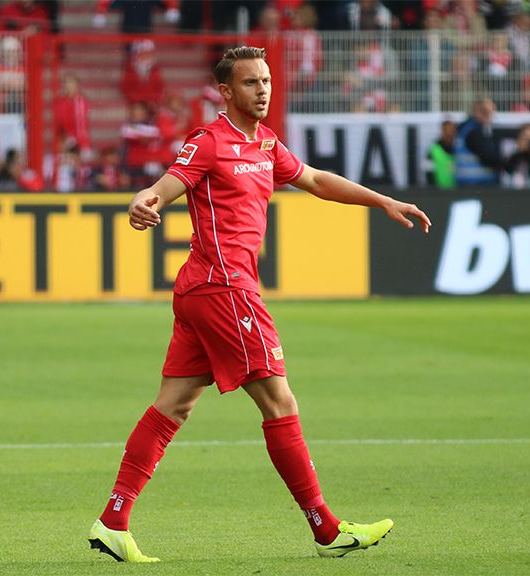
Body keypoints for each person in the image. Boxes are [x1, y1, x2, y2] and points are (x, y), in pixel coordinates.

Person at [88, 45, 430, 563]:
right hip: (225, 288)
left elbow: (314, 180)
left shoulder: (267, 143)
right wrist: (145, 199)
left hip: (204, 290)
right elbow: (167, 185)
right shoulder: (208, 141)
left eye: (266, 80)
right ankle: (326, 528)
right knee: (279, 402)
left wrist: (379, 199)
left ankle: (113, 520)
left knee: (174, 404)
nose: (263, 89)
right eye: (251, 82)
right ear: (226, 92)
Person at [454, 97, 503, 186]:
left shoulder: (464, 128)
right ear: (476, 110)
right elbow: (489, 157)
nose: (489, 115)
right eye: (485, 111)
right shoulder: (475, 132)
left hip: (467, 184)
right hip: (478, 185)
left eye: (491, 112)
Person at [425, 118, 457, 189]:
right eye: (447, 131)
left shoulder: (458, 149)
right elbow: (428, 173)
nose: (449, 133)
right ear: (442, 131)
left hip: (457, 191)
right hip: (439, 192)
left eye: (452, 131)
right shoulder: (433, 150)